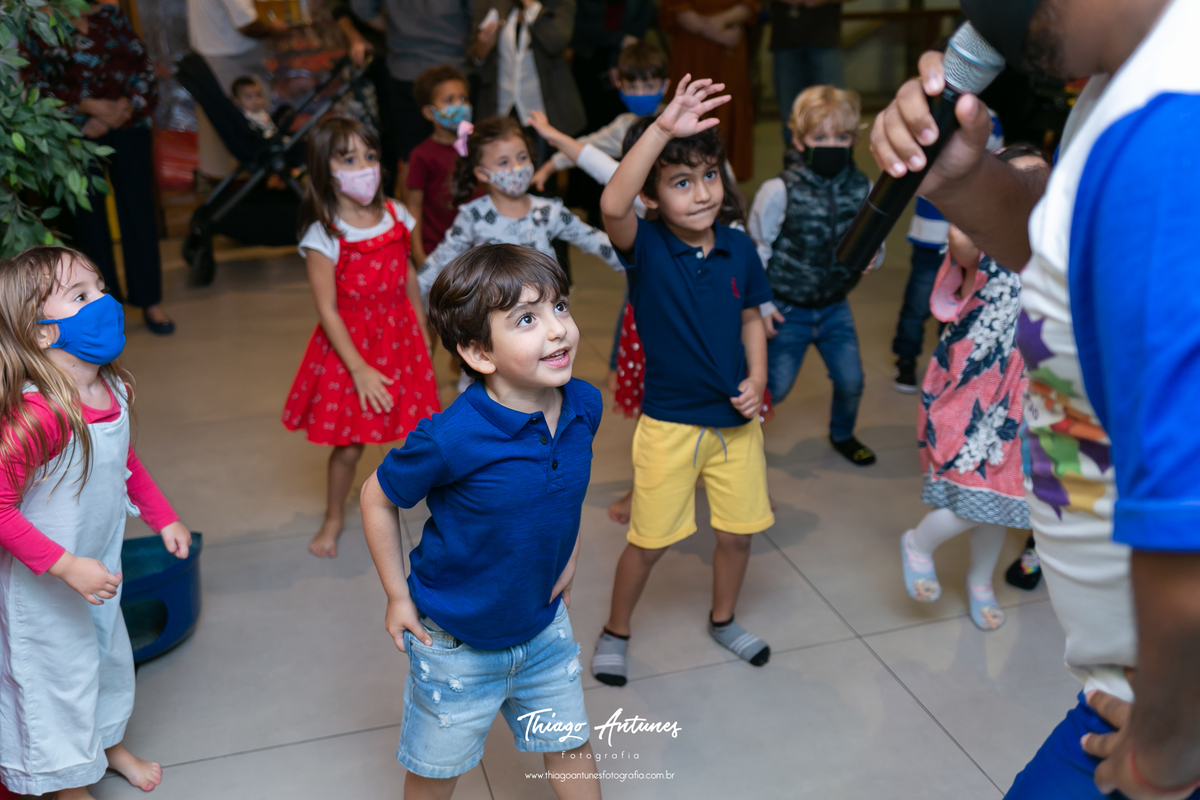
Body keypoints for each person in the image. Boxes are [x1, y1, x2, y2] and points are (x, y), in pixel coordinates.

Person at [871, 1, 1200, 796]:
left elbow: (1188, 512)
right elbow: (1060, 256)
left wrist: (1168, 746)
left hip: (1166, 695)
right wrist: (967, 182)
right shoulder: (1128, 81)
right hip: (1141, 676)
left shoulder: (1171, 133)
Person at [359, 244, 602, 800]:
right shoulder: (451, 437)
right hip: (455, 643)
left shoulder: (584, 406)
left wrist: (572, 552)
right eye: (526, 319)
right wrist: (397, 596)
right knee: (436, 770)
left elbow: (563, 488)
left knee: (569, 745)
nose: (558, 330)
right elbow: (377, 497)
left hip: (543, 628)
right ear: (478, 352)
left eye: (559, 307)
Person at [590, 76, 775, 687]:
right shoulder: (645, 246)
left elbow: (752, 315)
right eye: (680, 182)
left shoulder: (740, 249)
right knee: (649, 541)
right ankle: (616, 630)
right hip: (669, 424)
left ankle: (724, 620)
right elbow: (611, 204)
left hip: (736, 425)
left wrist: (758, 376)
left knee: (739, 536)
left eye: (710, 176)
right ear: (652, 198)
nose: (701, 194)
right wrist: (663, 128)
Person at [0, 246, 192, 798]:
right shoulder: (40, 416)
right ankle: (65, 781)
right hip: (46, 584)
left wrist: (165, 518)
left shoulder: (112, 389)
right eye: (80, 297)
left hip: (98, 568)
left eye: (101, 287)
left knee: (106, 662)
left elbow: (123, 461)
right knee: (57, 680)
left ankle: (106, 745)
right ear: (42, 333)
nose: (103, 302)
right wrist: (65, 567)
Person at [282, 118, 440, 559]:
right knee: (349, 447)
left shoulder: (396, 214)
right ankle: (334, 515)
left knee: (418, 432)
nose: (364, 166)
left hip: (402, 337)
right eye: (348, 158)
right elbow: (327, 309)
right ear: (324, 169)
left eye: (369, 156)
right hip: (351, 349)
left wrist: (423, 327)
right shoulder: (324, 235)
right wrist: (359, 369)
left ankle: (442, 509)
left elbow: (407, 271)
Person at [899, 170, 1037, 631]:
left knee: (1003, 495)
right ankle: (918, 543)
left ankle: (980, 582)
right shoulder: (984, 244)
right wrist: (974, 190)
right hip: (975, 386)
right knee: (971, 491)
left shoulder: (1053, 254)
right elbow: (959, 237)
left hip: (1025, 391)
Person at [21, 1, 176, 336]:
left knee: (138, 213)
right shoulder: (38, 24)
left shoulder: (111, 17)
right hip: (73, 134)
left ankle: (151, 301)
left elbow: (143, 71)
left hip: (128, 126)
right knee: (88, 225)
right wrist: (86, 106)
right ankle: (100, 310)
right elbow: (31, 85)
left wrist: (119, 111)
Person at [747, 85, 880, 466]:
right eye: (820, 137)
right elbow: (757, 248)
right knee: (775, 387)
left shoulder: (863, 188)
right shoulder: (779, 190)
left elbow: (874, 240)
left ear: (854, 139)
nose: (832, 144)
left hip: (836, 306)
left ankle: (842, 433)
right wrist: (763, 303)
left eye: (842, 137)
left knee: (852, 381)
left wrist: (875, 256)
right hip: (786, 308)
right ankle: (738, 442)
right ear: (800, 140)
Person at [417, 117, 622, 301]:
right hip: (495, 317)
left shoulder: (548, 211)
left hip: (545, 312)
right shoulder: (473, 216)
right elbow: (439, 261)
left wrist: (640, 261)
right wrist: (407, 295)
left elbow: (596, 242)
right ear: (482, 174)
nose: (516, 167)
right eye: (504, 162)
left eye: (522, 157)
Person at [892, 109, 1004, 393]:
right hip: (930, 234)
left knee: (960, 303)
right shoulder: (927, 113)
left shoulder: (988, 118)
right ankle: (906, 358)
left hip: (969, 234)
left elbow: (996, 165)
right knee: (917, 302)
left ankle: (948, 362)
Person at [530, 40, 671, 193]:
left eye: (649, 86)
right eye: (632, 87)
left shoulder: (678, 121)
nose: (640, 94)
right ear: (619, 85)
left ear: (665, 86)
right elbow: (587, 148)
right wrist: (550, 166)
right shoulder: (623, 127)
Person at [186, 0, 289, 181]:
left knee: (218, 139)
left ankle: (221, 192)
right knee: (246, 134)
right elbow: (245, 24)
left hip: (209, 54)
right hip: (232, 60)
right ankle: (247, 194)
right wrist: (276, 29)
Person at [470, 0, 588, 151]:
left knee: (543, 166)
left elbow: (556, 42)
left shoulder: (559, 3)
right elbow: (474, 56)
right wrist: (483, 44)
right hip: (500, 105)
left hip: (545, 107)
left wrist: (532, 7)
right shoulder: (490, 2)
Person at [659, 0, 757, 179]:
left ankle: (726, 179)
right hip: (692, 49)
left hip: (729, 52)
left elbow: (749, 5)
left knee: (727, 104)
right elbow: (677, 9)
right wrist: (716, 32)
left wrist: (720, 22)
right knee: (690, 105)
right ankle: (685, 176)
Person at [405, 65, 477, 266]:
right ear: (429, 112)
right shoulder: (421, 155)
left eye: (463, 99)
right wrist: (419, 256)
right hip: (439, 253)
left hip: (480, 249)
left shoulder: (479, 146)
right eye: (449, 100)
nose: (459, 105)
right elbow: (414, 206)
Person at [568, 0, 654, 135]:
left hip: (625, 59)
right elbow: (576, 26)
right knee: (587, 119)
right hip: (589, 57)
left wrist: (616, 61)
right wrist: (619, 39)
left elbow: (640, 24)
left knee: (620, 120)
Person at [768, 0, 847, 147]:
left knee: (834, 110)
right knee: (791, 116)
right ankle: (795, 163)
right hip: (785, 38)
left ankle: (836, 161)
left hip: (826, 38)